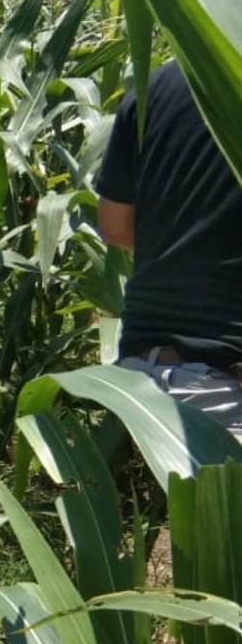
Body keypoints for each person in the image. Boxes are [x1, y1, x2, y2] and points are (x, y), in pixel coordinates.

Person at [96, 60, 242, 440]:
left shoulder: (151, 88)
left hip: (137, 379)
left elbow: (114, 227)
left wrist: (184, 249)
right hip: (227, 389)